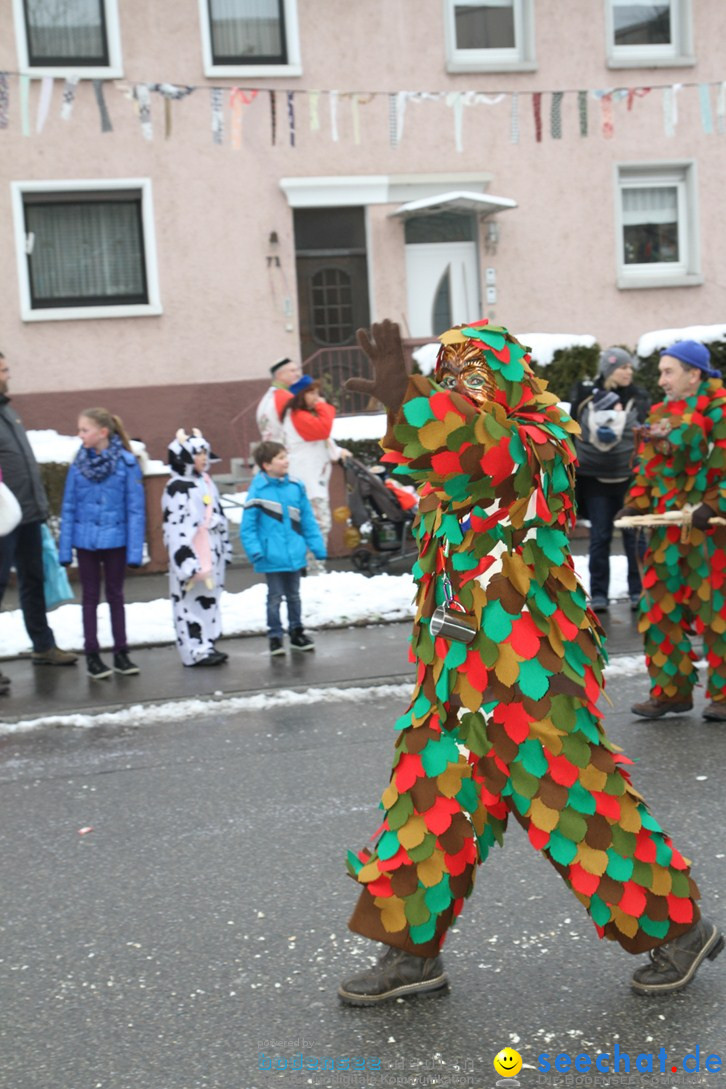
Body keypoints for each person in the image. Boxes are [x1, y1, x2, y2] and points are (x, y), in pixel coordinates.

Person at [337, 319, 722, 1005]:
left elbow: (474, 451)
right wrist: (409, 403)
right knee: (430, 803)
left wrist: (409, 404)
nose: (462, 387)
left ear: (512, 379)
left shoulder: (536, 444)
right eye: (452, 376)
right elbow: (445, 454)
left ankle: (680, 929)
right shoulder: (449, 456)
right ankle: (410, 951)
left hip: (526, 670)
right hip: (455, 673)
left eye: (476, 374)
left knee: (574, 799)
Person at [618, 340, 726, 722]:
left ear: (694, 374)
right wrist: (637, 501)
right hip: (667, 534)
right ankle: (671, 692)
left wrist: (714, 505)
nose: (661, 379)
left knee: (717, 612)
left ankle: (724, 694)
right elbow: (648, 470)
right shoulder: (661, 414)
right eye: (661, 371)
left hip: (711, 533)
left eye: (669, 371)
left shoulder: (720, 410)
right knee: (658, 609)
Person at [0, 351, 77, 668]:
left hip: (27, 515)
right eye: (2, 370)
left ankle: (43, 645)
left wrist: (39, 506)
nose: (7, 375)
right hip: (3, 518)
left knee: (34, 580)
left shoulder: (8, 411)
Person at [59, 408, 146, 679]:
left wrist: (134, 551)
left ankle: (121, 652)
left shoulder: (127, 464)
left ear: (103, 432)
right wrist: (65, 548)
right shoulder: (78, 465)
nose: (80, 434)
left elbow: (136, 510)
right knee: (89, 598)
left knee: (116, 596)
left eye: (85, 429)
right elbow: (69, 507)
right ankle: (93, 655)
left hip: (116, 541)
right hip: (86, 542)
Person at [570, 348, 651, 612]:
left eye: (630, 367)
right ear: (608, 368)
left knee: (633, 537)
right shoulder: (585, 396)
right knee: (600, 536)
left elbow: (647, 435)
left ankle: (638, 591)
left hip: (629, 479)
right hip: (594, 480)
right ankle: (600, 594)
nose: (629, 372)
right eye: (623, 367)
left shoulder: (638, 397)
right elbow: (572, 430)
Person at [240, 440, 325, 655]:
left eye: (285, 456)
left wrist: (317, 547)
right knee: (275, 597)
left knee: (294, 596)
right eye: (280, 457)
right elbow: (248, 527)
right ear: (267, 465)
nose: (286, 461)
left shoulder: (296, 487)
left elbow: (307, 521)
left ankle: (297, 633)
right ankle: (275, 636)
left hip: (294, 553)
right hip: (270, 556)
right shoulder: (257, 491)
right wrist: (256, 552)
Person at [162, 428, 232, 667]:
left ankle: (208, 642)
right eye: (197, 453)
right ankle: (194, 648)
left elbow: (218, 514)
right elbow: (175, 527)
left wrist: (225, 546)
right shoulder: (177, 488)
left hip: (212, 553)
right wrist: (185, 559)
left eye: (205, 452)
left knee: (209, 599)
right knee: (188, 601)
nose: (203, 458)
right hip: (192, 554)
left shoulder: (206, 484)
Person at [280, 375, 350, 573]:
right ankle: (314, 569)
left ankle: (313, 567)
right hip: (307, 481)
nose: (316, 397)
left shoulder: (298, 415)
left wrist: (338, 452)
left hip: (311, 478)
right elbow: (322, 430)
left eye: (317, 393)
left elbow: (323, 438)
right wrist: (323, 406)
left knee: (316, 524)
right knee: (319, 524)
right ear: (301, 395)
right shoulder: (297, 415)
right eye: (312, 393)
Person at [255, 357, 302, 443]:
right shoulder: (285, 397)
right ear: (279, 375)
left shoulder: (266, 398)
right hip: (284, 448)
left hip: (271, 447)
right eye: (292, 371)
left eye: (297, 370)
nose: (298, 374)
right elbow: (300, 425)